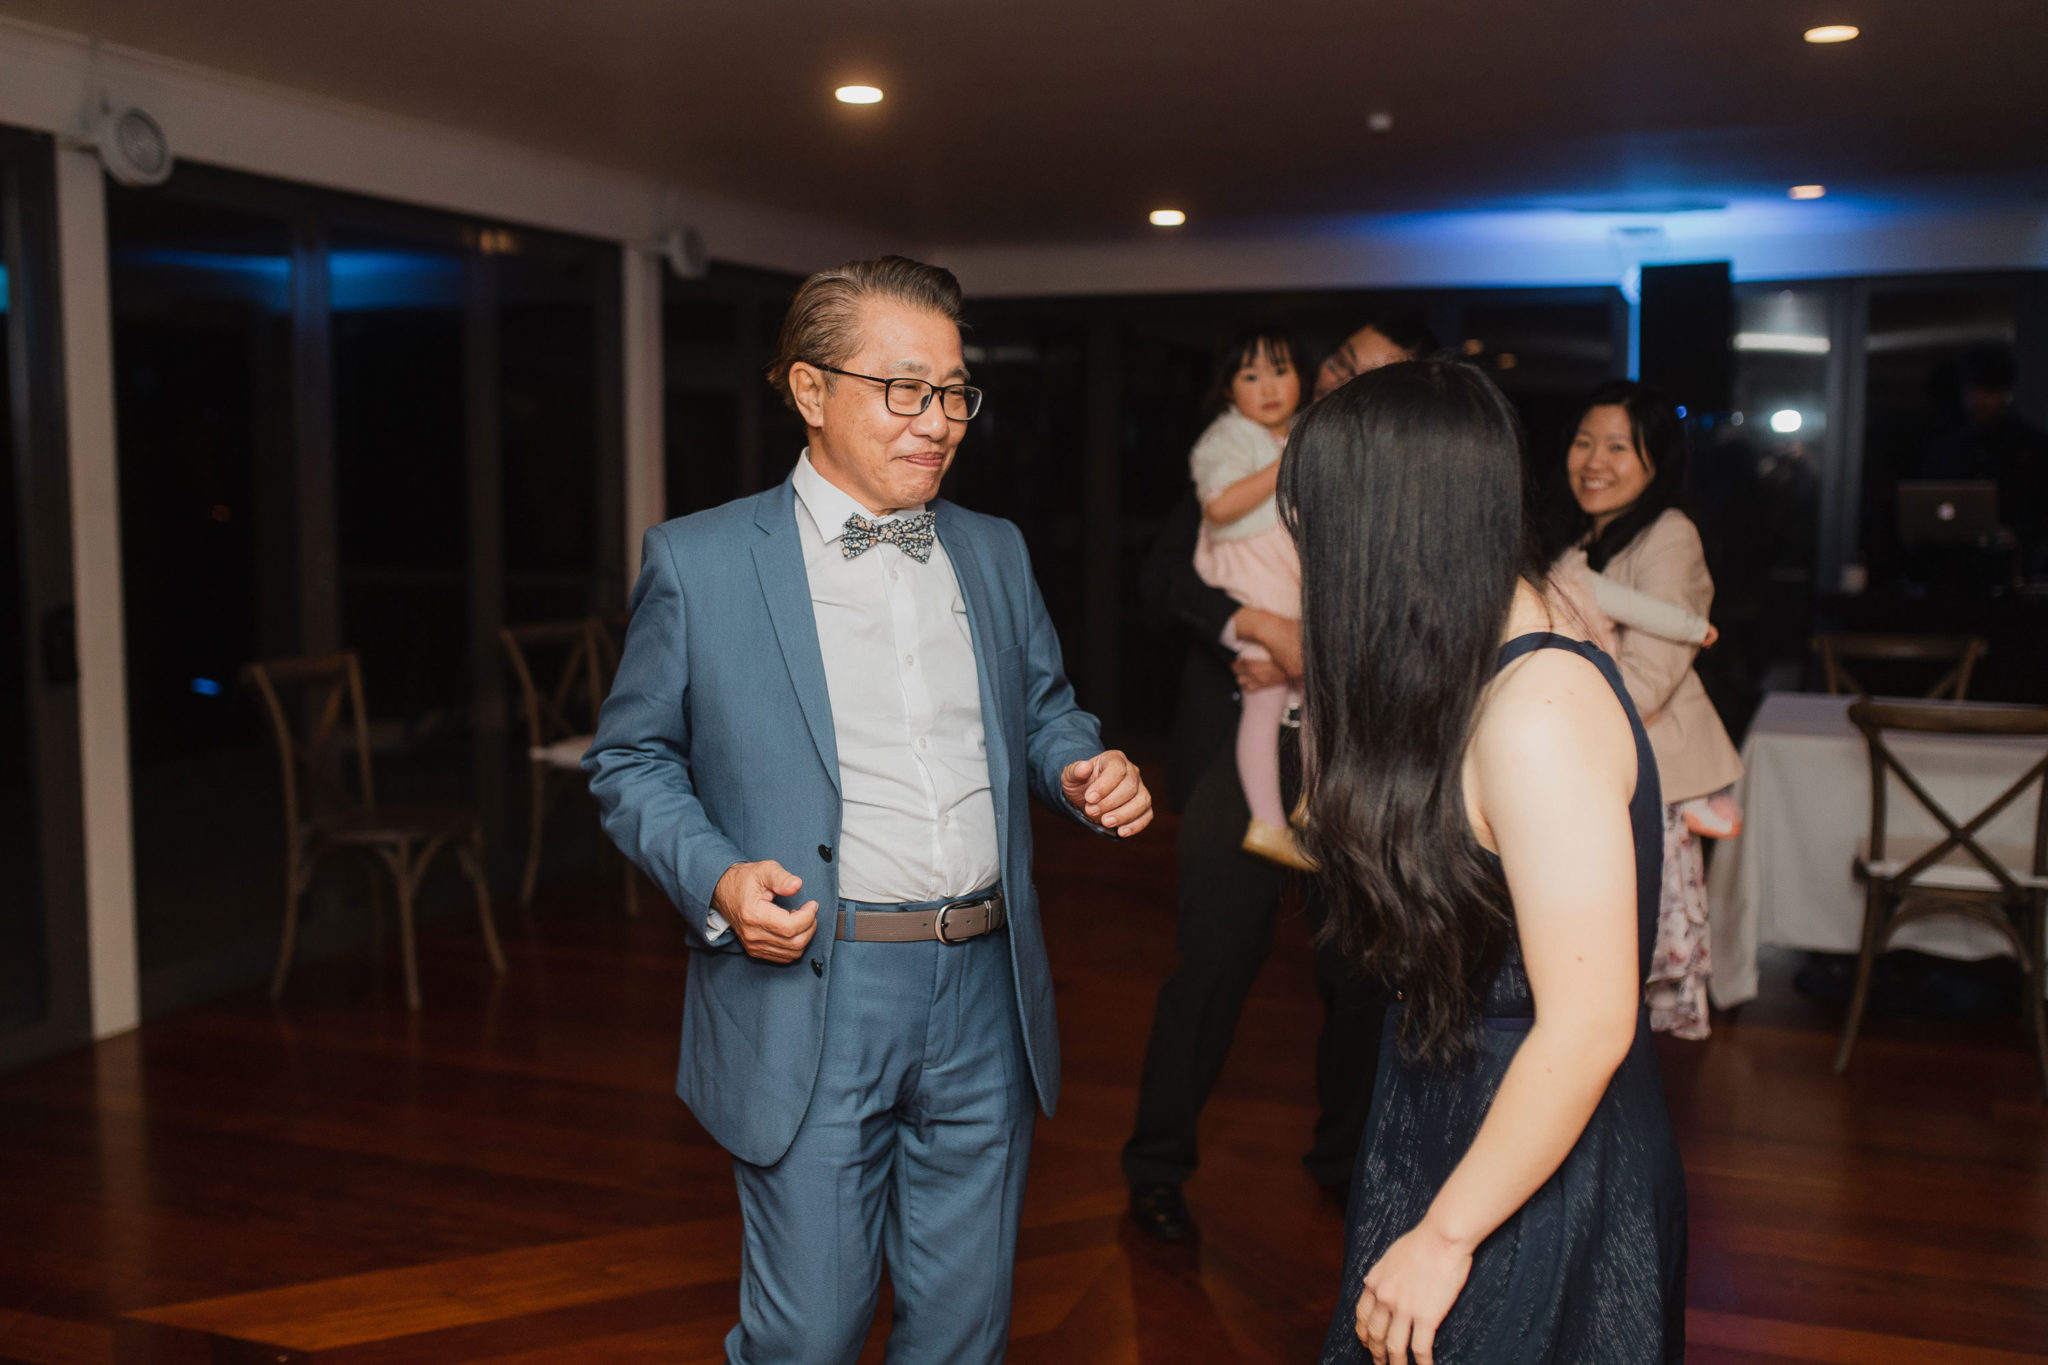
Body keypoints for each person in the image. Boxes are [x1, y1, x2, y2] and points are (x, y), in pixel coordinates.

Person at [585, 255, 1154, 1365]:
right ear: (809, 391)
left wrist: (1080, 765)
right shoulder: (699, 562)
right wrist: (714, 877)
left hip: (984, 982)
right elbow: (630, 760)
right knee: (810, 1332)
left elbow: (1041, 710)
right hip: (814, 982)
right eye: (904, 388)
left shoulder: (992, 550)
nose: (935, 421)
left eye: (951, 392)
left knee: (960, 1332)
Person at [1284, 360, 1686, 1364]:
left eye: (1320, 528)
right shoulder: (1467, 677)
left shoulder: (1536, 711)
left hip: (1537, 1140)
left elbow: (1589, 1024)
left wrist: (1446, 1233)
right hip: (1455, 1101)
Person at [1123, 316, 1432, 1244]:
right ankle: (1156, 1166)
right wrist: (1250, 629)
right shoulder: (1246, 457)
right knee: (1211, 965)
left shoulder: (1403, 485)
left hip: (1356, 758)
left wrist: (1312, 653)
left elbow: (1417, 623)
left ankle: (1344, 1161)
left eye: (1371, 374)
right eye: (1340, 360)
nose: (1341, 379)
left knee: (1361, 976)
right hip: (1239, 745)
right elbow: (1164, 575)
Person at [1543, 381, 1743, 1040]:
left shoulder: (1668, 533)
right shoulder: (1582, 538)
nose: (1593, 460)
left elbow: (1647, 679)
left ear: (1657, 460)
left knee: (1612, 983)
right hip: (1599, 775)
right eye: (1583, 441)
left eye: (1617, 447)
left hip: (1641, 780)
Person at [1189, 326, 1309, 869]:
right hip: (1255, 577)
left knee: (1309, 704)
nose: (1268, 387)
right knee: (1265, 706)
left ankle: (1308, 805)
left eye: (1280, 370)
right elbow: (1219, 508)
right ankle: (1268, 821)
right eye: (1251, 374)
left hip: (1285, 581)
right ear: (1227, 388)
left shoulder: (1303, 433)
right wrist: (1283, 463)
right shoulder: (1228, 437)